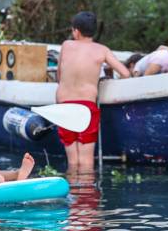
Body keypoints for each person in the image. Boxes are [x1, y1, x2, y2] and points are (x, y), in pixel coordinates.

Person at [56, 11, 130, 173]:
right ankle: (87, 197)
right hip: (86, 107)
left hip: (64, 106)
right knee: (86, 161)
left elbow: (59, 75)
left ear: (76, 31)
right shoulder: (102, 50)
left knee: (73, 162)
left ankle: (73, 195)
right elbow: (125, 73)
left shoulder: (66, 46)